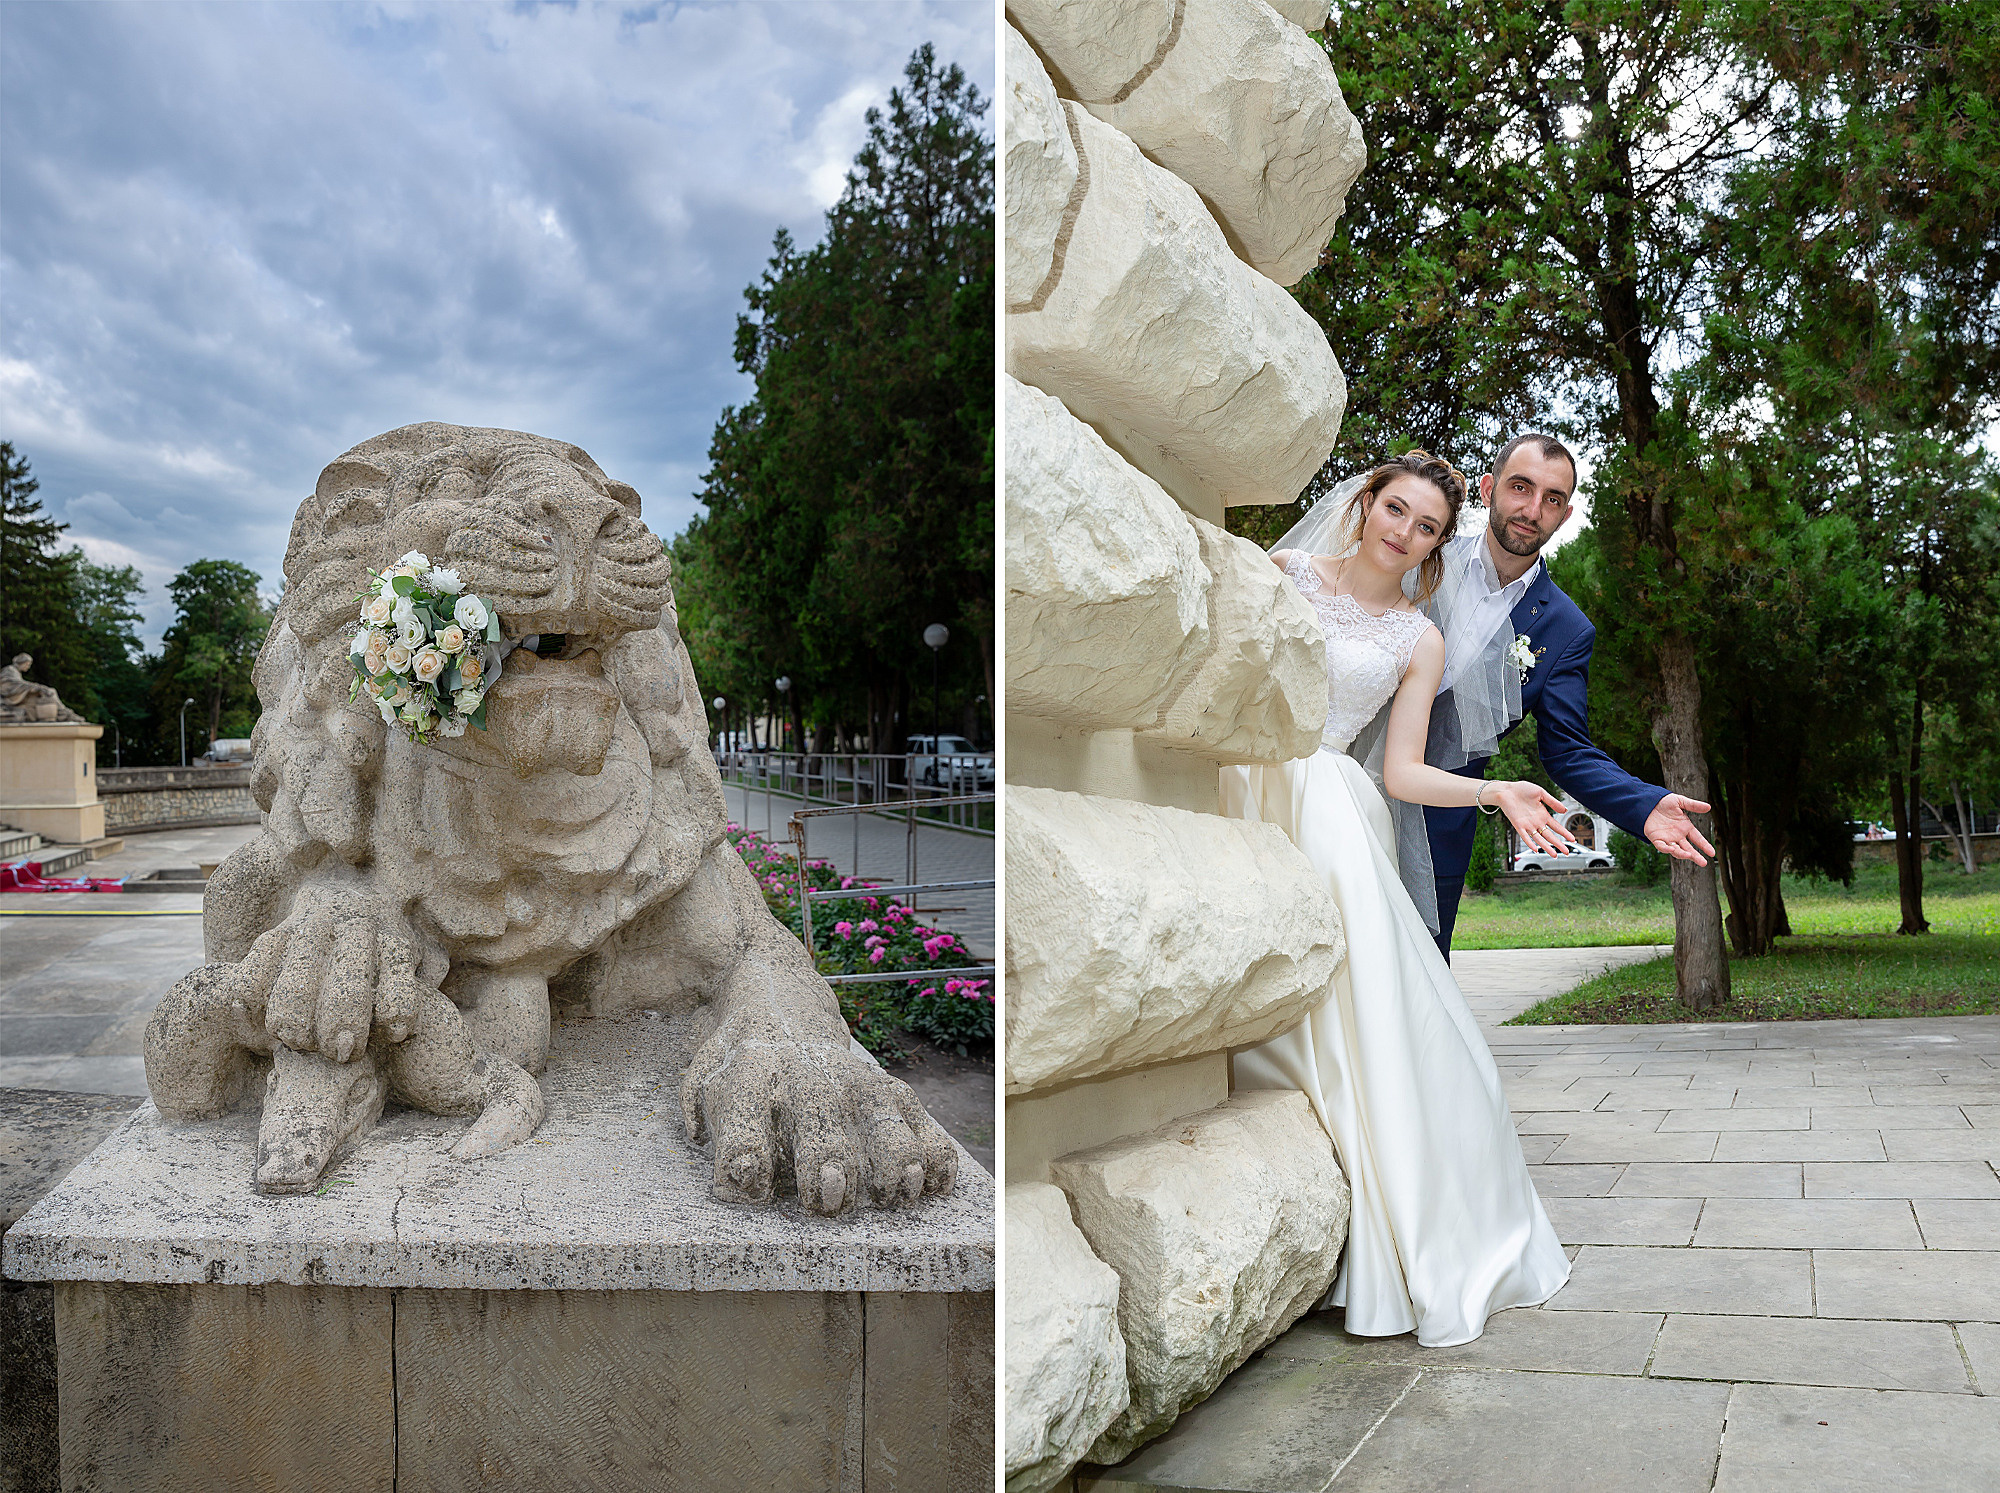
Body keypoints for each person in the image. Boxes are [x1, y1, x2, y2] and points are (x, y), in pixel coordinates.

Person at [1221, 451, 1578, 1347]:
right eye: (1396, 510)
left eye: (1427, 527)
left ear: (1436, 545)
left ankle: (1373, 1219)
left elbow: (1405, 771)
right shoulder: (1284, 572)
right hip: (1234, 781)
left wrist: (1495, 790)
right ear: (1364, 503)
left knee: (1358, 1015)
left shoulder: (1419, 639)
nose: (1405, 532)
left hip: (1327, 803)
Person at [1419, 434, 1713, 957]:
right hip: (1350, 788)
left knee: (1414, 977)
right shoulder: (1419, 555)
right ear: (1488, 489)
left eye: (1552, 499)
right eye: (1520, 487)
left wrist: (1644, 805)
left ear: (1566, 514)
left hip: (1441, 825)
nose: (1532, 510)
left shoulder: (1566, 628)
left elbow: (1568, 750)